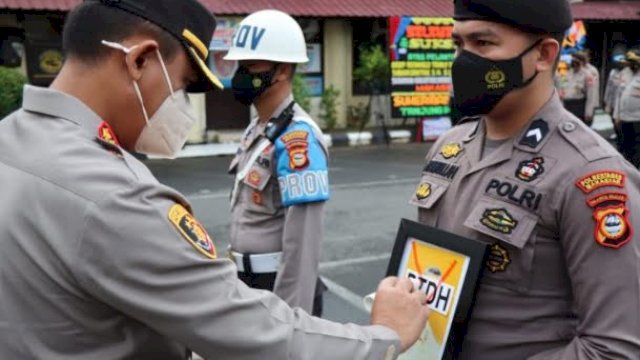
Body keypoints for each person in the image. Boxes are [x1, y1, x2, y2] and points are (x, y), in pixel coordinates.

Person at [0, 1, 431, 359]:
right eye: (184, 84)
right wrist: (383, 338)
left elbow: (301, 245)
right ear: (140, 60)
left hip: (267, 292)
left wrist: (291, 308)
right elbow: (251, 332)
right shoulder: (113, 195)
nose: (179, 103)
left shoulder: (10, 140)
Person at [411, 0, 640, 358]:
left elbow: (615, 348)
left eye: (483, 44)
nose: (463, 61)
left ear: (544, 55)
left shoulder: (590, 173)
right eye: (459, 44)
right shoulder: (450, 146)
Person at [223, 10, 328, 317]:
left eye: (250, 66)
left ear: (281, 70)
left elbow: (303, 247)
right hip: (245, 283)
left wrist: (288, 322)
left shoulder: (299, 140)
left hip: (278, 291)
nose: (240, 74)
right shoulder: (257, 130)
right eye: (239, 65)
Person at [559, 52, 599, 125]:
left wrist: (589, 112)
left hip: (579, 107)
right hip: (567, 106)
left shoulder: (587, 75)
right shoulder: (567, 73)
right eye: (572, 61)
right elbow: (562, 90)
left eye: (576, 61)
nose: (573, 63)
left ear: (581, 62)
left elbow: (591, 95)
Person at [617, 47, 640, 167]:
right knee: (624, 146)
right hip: (624, 117)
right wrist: (617, 115)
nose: (630, 65)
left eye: (633, 62)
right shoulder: (624, 74)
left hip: (637, 119)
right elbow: (618, 96)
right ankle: (625, 169)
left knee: (636, 148)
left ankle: (635, 172)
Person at [604, 50, 628, 150]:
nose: (619, 63)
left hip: (624, 105)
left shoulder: (627, 73)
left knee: (623, 126)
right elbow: (609, 88)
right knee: (615, 124)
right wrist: (606, 103)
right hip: (613, 103)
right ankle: (618, 140)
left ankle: (623, 143)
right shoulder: (613, 72)